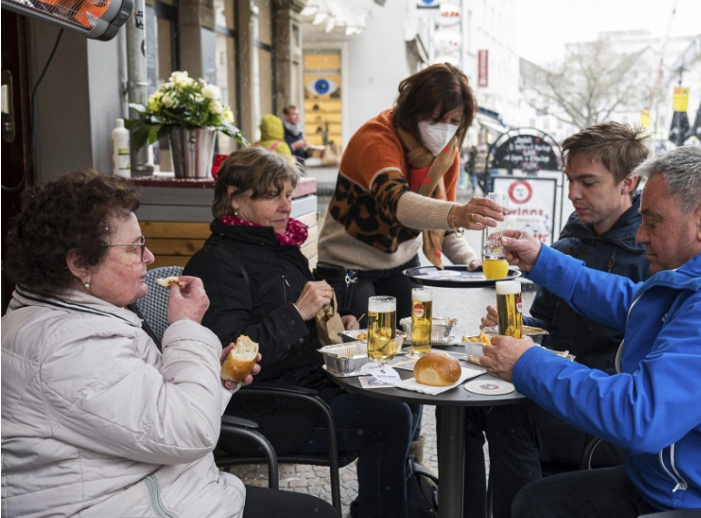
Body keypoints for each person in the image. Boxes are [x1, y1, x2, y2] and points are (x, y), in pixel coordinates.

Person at [481, 145, 701, 518]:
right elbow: (632, 301)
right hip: (674, 483)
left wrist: (529, 363)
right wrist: (542, 259)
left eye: (653, 221)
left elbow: (640, 415)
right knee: (536, 503)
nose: (641, 235)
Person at [1, 170, 337, 518]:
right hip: (125, 503)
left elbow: (153, 408)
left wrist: (219, 380)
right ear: (80, 264)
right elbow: (189, 432)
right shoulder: (65, 348)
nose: (149, 258)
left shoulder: (76, 321)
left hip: (160, 489)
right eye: (134, 248)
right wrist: (187, 327)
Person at [183, 148, 413, 518]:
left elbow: (305, 321)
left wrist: (340, 324)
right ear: (235, 197)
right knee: (392, 415)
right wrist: (297, 312)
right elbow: (227, 362)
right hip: (266, 409)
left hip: (307, 389)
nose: (286, 206)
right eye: (273, 195)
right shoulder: (218, 262)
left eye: (288, 194)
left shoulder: (277, 246)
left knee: (405, 390)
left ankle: (398, 503)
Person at [462, 121, 652, 518]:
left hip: (602, 404)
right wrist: (517, 326)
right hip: (553, 382)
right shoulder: (572, 239)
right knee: (463, 405)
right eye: (570, 181)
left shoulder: (650, 252)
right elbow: (547, 324)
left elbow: (631, 356)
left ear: (627, 183)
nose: (574, 194)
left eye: (588, 182)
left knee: (510, 419)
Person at [316, 62, 503, 322]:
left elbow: (440, 219)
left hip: (402, 266)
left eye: (454, 121)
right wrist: (458, 214)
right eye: (436, 118)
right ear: (413, 109)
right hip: (349, 266)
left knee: (415, 340)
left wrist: (470, 261)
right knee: (361, 351)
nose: (445, 128)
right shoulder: (376, 138)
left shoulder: (447, 154)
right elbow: (398, 203)